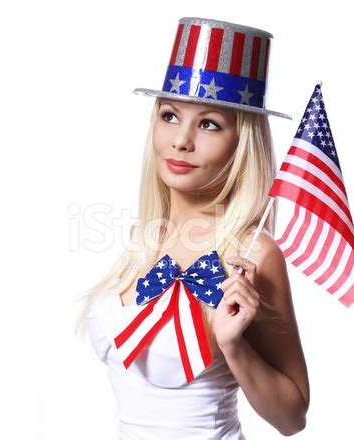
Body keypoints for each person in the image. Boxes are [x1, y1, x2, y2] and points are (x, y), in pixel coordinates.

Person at [75, 16, 310, 439]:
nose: (181, 140)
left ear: (242, 142)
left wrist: (235, 345)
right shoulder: (140, 239)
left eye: (208, 123)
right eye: (169, 115)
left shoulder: (253, 254)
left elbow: (292, 418)